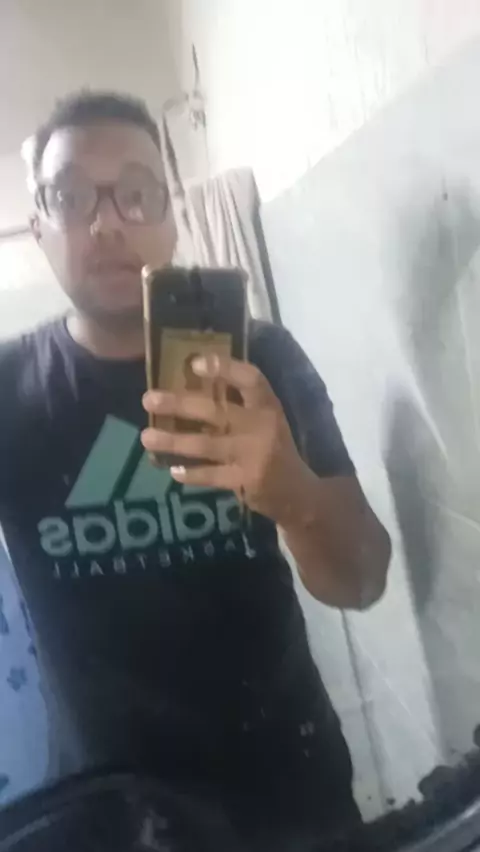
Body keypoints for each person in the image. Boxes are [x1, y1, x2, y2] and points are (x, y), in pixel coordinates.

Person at [0, 91, 391, 847]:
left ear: (173, 215)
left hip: (291, 793)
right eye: (71, 196)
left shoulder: (262, 355)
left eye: (137, 193)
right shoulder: (7, 390)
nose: (106, 223)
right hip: (115, 815)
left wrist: (295, 498)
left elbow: (363, 580)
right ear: (38, 225)